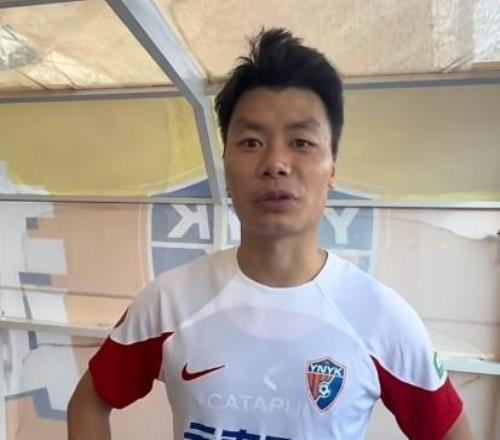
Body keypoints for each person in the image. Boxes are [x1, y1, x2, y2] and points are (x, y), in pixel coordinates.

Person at [67, 28, 473, 440]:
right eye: (251, 142)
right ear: (225, 166)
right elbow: (88, 404)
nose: (276, 162)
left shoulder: (382, 317)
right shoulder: (169, 301)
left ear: (332, 168)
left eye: (301, 142)